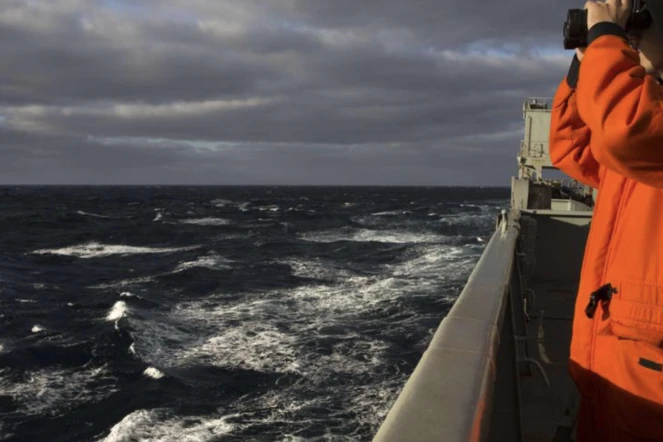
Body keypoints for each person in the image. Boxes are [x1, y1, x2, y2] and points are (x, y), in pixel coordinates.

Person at [549, 0, 663, 440]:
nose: (632, 35)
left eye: (643, 17)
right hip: (618, 370)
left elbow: (624, 132)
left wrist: (606, 41)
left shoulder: (644, 127)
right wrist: (584, 65)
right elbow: (573, 149)